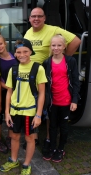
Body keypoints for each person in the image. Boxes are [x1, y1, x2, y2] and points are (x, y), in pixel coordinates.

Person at [24, 7, 81, 150]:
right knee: (32, 107)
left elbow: (76, 41)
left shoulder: (53, 30)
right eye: (33, 16)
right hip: (30, 78)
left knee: (49, 109)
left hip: (46, 78)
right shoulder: (28, 32)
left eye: (39, 16)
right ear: (29, 19)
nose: (36, 19)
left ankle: (49, 138)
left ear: (44, 18)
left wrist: (63, 59)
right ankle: (34, 137)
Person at [0, 39, 47, 175]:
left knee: (29, 138)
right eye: (18, 52)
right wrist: (7, 112)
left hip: (30, 111)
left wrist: (38, 115)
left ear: (31, 52)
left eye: (25, 51)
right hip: (14, 110)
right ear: (15, 53)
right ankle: (13, 160)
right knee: (14, 136)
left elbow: (42, 93)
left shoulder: (38, 69)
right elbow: (9, 91)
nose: (22, 54)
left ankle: (26, 164)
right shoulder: (13, 69)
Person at [42, 35, 79, 162]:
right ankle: (52, 148)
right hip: (52, 102)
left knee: (63, 127)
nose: (56, 48)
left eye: (59, 45)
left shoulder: (70, 61)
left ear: (64, 47)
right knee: (52, 126)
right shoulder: (47, 62)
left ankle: (61, 148)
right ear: (50, 47)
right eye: (53, 45)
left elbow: (75, 81)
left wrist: (74, 100)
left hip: (66, 101)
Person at [0, 35, 18, 153]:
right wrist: (8, 87)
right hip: (2, 92)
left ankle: (9, 137)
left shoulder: (15, 56)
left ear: (5, 43)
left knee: (12, 114)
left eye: (0, 44)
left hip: (15, 92)